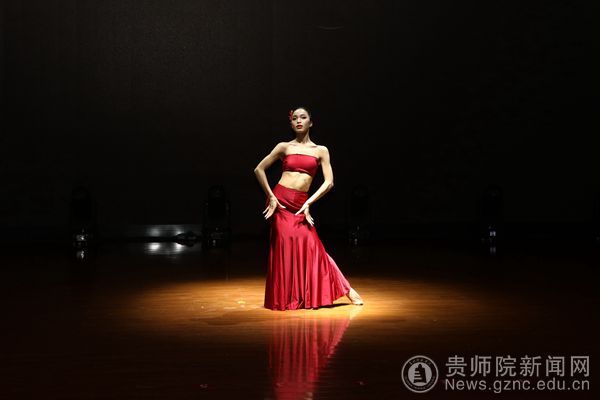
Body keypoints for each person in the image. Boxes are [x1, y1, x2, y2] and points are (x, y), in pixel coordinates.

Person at [254, 107, 364, 310]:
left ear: (310, 122)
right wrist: (271, 196)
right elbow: (258, 169)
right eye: (294, 118)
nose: (298, 121)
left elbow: (329, 182)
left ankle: (346, 289)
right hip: (280, 202)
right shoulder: (284, 147)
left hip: (301, 204)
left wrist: (309, 203)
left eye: (303, 117)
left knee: (314, 246)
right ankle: (287, 297)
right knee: (285, 246)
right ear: (291, 124)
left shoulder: (321, 150)